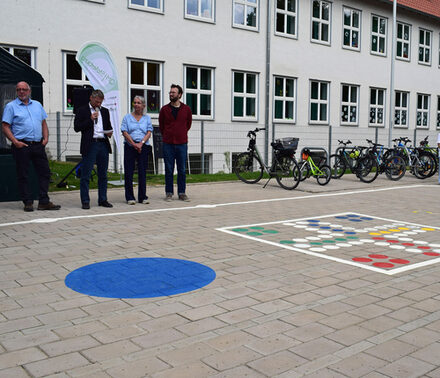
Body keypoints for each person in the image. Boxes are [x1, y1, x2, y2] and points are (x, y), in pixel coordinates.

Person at [1, 81, 61, 212]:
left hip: (38, 145)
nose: (21, 92)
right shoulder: (11, 107)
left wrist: (46, 138)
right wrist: (15, 142)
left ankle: (44, 201)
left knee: (45, 173)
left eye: (24, 89)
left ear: (29, 91)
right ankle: (27, 202)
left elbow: (43, 122)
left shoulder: (37, 105)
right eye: (18, 90)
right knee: (23, 174)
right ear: (16, 92)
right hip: (22, 145)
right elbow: (5, 126)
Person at [74, 89, 113, 209]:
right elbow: (77, 127)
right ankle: (85, 200)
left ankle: (103, 199)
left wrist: (109, 132)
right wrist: (90, 119)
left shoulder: (105, 112)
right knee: (86, 174)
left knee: (103, 174)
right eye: (96, 102)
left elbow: (108, 127)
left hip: (103, 143)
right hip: (90, 144)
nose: (98, 105)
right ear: (91, 98)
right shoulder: (82, 110)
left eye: (100, 102)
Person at [159, 84, 192, 202]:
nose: (171, 94)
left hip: (182, 143)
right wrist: (169, 135)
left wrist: (180, 133)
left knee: (182, 169)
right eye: (170, 92)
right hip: (168, 143)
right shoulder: (164, 109)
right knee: (169, 169)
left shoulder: (186, 109)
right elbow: (161, 126)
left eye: (173, 92)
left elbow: (188, 125)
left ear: (179, 95)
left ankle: (182, 192)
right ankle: (169, 192)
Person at [121, 96, 153, 205]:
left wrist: (141, 144)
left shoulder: (147, 118)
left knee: (142, 172)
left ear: (143, 105)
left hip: (143, 146)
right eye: (135, 102)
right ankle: (130, 197)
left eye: (139, 103)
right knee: (129, 172)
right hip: (130, 146)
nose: (136, 105)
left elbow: (149, 132)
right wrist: (134, 144)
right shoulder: (127, 118)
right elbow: (124, 132)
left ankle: (142, 196)